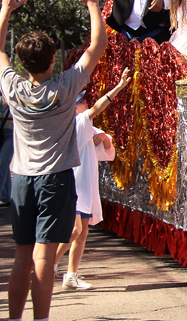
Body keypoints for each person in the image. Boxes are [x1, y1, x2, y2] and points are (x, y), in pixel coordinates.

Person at [0, 0, 108, 321]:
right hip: (56, 181)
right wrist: (93, 3)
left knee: (21, 257)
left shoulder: (12, 87)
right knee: (44, 260)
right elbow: (97, 46)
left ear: (23, 63)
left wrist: (4, 11)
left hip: (21, 179)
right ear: (52, 61)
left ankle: (14, 319)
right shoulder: (65, 87)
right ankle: (41, 319)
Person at [55, 68, 127, 290]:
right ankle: (47, 264)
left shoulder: (86, 127)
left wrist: (104, 138)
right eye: (82, 102)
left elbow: (107, 149)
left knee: (82, 232)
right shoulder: (75, 123)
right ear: (73, 107)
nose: (85, 104)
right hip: (73, 186)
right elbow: (97, 108)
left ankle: (70, 275)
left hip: (84, 188)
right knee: (75, 230)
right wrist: (119, 87)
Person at [0, 94, 12, 207]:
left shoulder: (15, 100)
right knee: (4, 164)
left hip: (12, 134)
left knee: (2, 163)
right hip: (1, 133)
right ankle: (6, 196)